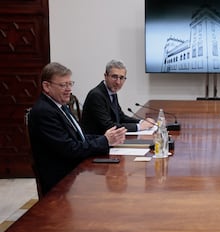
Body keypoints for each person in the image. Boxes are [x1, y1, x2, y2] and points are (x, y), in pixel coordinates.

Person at [28, 62, 126, 195]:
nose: (68, 89)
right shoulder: (44, 112)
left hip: (75, 169)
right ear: (46, 86)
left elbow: (80, 136)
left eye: (70, 84)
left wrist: (107, 139)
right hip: (62, 180)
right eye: (63, 85)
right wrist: (104, 140)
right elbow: (70, 149)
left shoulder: (60, 106)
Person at [81, 59, 154, 135]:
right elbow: (108, 126)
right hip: (96, 141)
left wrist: (142, 122)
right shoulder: (96, 95)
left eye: (121, 78)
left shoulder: (112, 92)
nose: (118, 82)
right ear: (105, 76)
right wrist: (139, 127)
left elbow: (121, 117)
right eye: (114, 77)